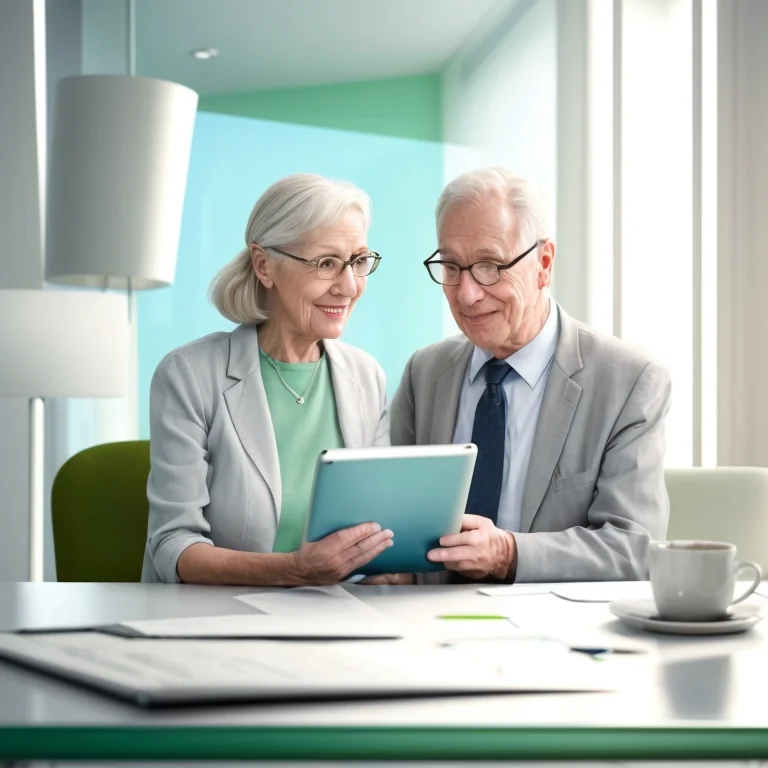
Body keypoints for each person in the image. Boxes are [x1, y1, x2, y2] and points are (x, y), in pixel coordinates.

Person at [390, 167, 671, 583]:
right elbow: (398, 518)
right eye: (451, 267)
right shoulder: (424, 373)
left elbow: (633, 548)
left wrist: (510, 553)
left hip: (556, 635)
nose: (467, 293)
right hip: (425, 629)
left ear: (543, 264)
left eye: (490, 266)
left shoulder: (630, 380)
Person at [142, 174, 393, 585]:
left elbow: (378, 526)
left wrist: (392, 568)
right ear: (264, 266)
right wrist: (295, 570)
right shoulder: (189, 374)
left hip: (338, 618)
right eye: (326, 263)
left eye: (359, 261)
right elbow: (174, 547)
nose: (349, 286)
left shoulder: (368, 376)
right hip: (217, 623)